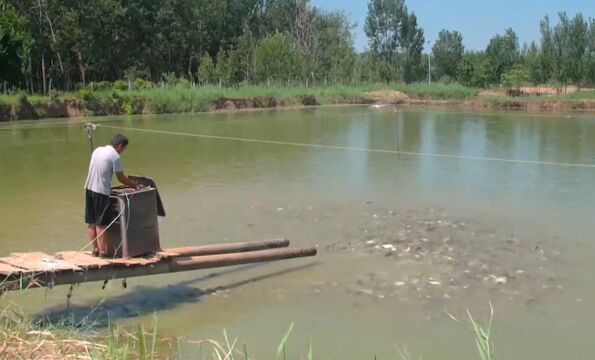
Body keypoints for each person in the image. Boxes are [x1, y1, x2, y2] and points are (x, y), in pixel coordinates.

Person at [84, 134, 139, 257]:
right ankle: (103, 252)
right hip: (101, 192)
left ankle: (95, 250)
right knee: (101, 224)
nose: (123, 151)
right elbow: (121, 178)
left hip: (89, 189)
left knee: (91, 223)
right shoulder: (115, 156)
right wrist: (134, 185)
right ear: (119, 146)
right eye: (124, 148)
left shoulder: (97, 150)